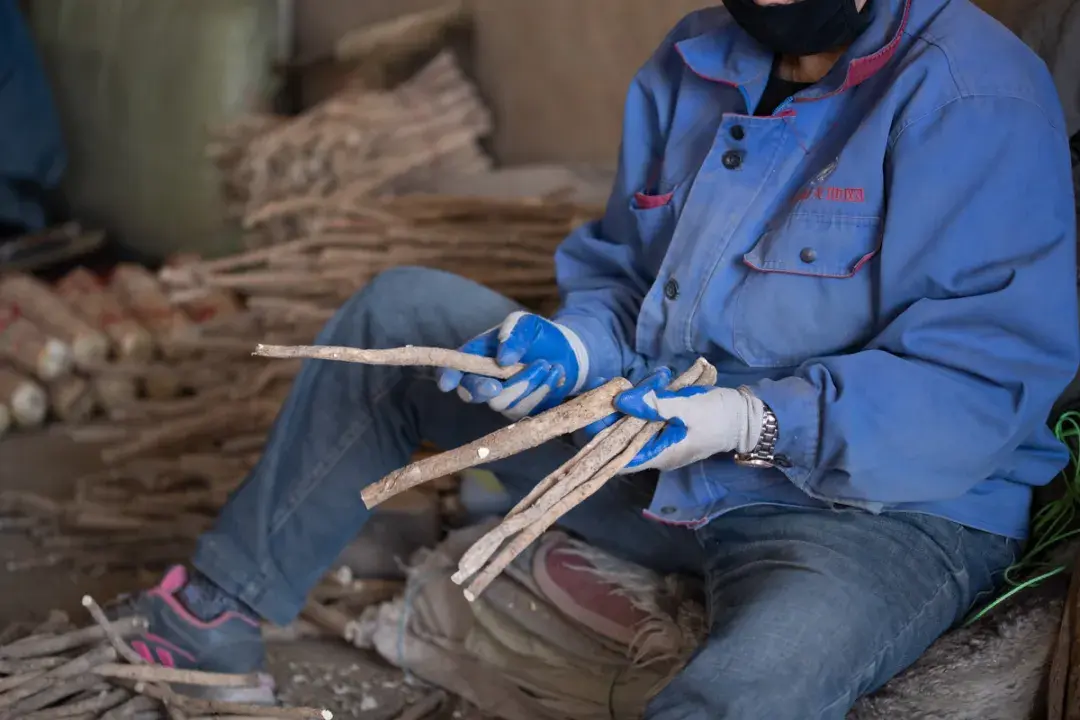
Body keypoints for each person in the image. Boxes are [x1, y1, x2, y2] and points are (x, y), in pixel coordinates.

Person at [113, 0, 1079, 715]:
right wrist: (572, 346)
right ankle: (210, 621)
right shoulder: (693, 59)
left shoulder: (969, 90)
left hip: (879, 512)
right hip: (648, 451)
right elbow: (627, 276)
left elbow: (979, 381)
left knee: (741, 697)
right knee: (400, 309)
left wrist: (748, 419)